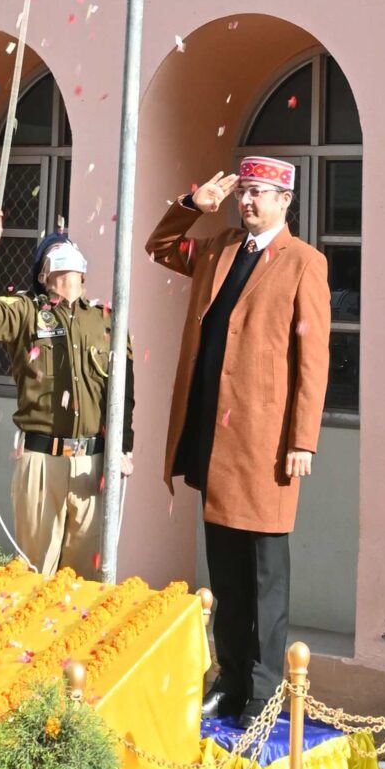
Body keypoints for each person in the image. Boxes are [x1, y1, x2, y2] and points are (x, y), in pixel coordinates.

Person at [147, 154, 330, 723]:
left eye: (258, 193)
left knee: (264, 573)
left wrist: (303, 439)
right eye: (242, 191)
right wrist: (190, 207)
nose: (246, 201)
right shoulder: (220, 248)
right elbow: (159, 247)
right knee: (224, 569)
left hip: (265, 443)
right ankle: (229, 679)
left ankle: (265, 690)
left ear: (284, 201)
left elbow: (314, 360)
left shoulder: (304, 262)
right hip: (212, 433)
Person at [0, 209, 132, 576]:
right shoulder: (25, 312)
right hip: (40, 460)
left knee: (84, 581)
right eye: (54, 250)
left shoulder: (107, 319)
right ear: (43, 275)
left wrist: (123, 447)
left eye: (69, 247)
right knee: (36, 575)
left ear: (84, 271)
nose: (65, 250)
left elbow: (123, 391)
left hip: (92, 463)